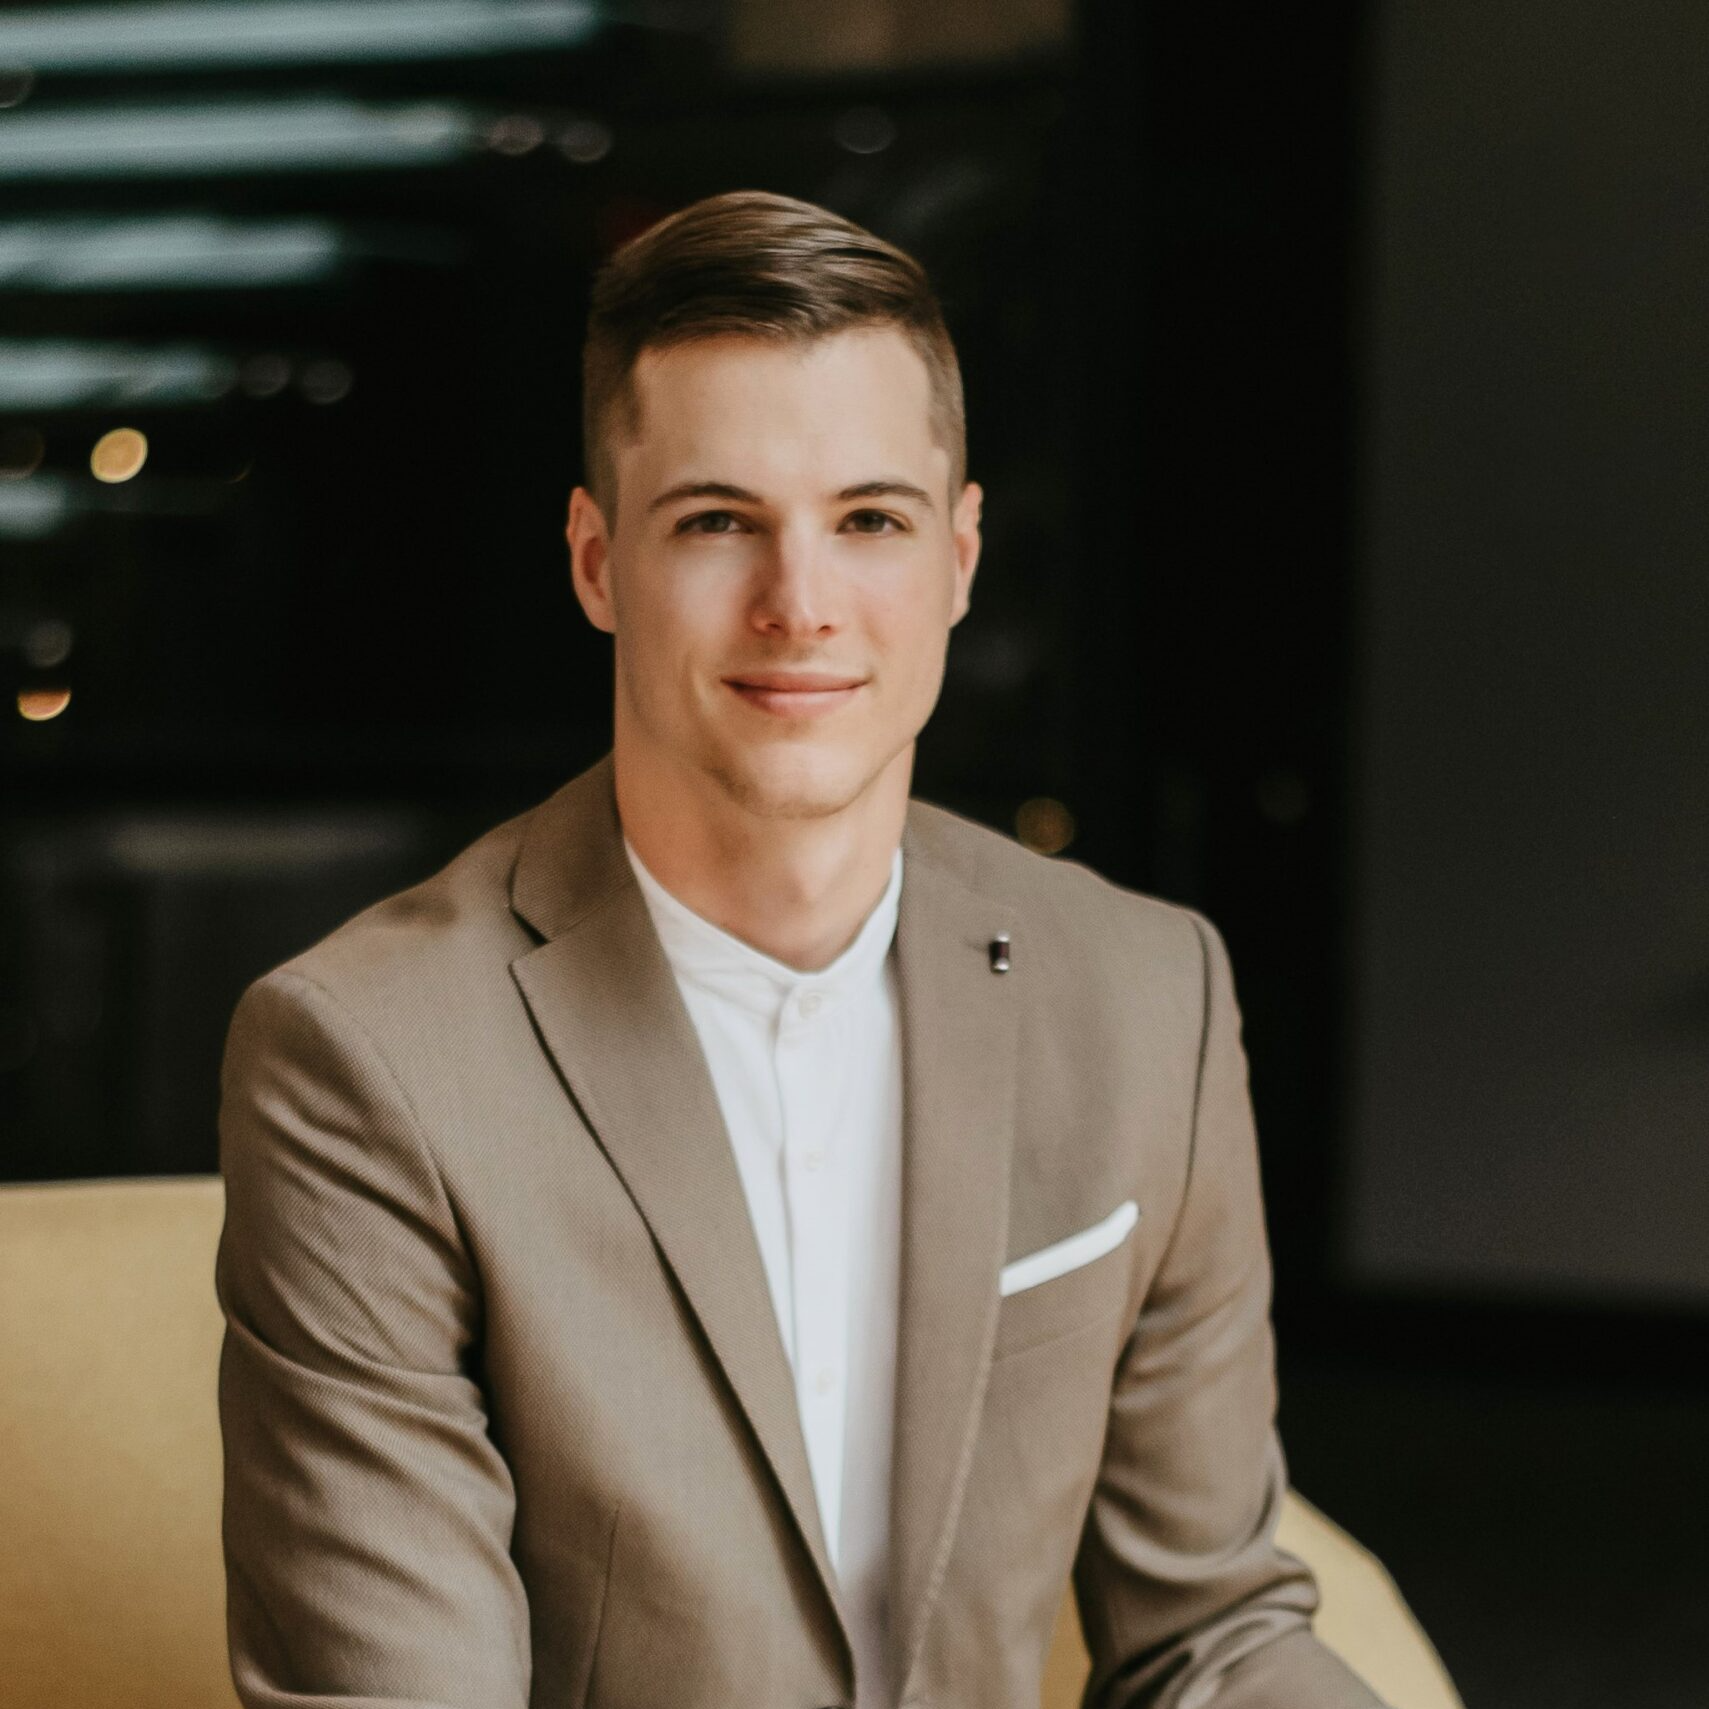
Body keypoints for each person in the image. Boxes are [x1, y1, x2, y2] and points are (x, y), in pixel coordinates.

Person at [215, 190, 1385, 1709]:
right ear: (593, 561)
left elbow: (1212, 1638)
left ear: (960, 560)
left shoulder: (1152, 998)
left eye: (871, 521)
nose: (801, 604)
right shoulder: (368, 1058)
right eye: (716, 522)